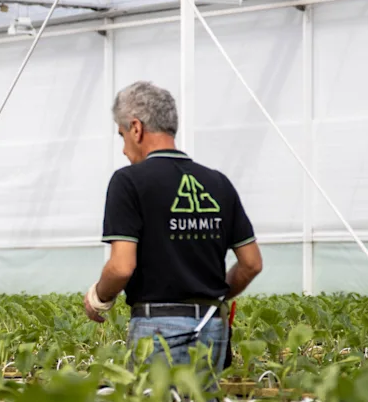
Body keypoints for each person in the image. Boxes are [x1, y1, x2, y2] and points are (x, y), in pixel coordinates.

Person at [84, 81, 263, 376]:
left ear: (136, 128)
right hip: (212, 326)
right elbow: (252, 263)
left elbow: (121, 267)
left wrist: (98, 299)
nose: (124, 150)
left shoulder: (128, 182)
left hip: (158, 327)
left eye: (122, 135)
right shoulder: (218, 183)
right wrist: (207, 296)